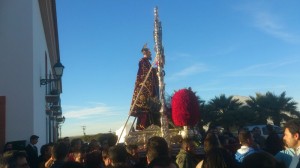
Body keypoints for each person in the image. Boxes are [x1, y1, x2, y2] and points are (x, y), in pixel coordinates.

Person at [129, 44, 160, 130]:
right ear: (145, 52)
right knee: (145, 109)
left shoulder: (148, 63)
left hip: (151, 90)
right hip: (146, 89)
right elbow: (145, 74)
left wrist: (157, 69)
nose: (151, 54)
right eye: (149, 52)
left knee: (152, 108)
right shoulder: (142, 61)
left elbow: (151, 72)